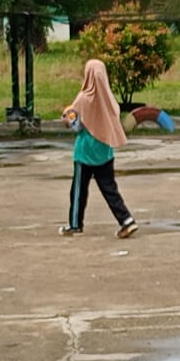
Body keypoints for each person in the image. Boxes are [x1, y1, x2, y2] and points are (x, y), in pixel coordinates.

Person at [60, 59, 139, 238]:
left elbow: (76, 125)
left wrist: (66, 118)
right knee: (110, 189)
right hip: (105, 152)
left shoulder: (83, 99)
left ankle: (75, 225)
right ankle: (126, 220)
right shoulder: (110, 100)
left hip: (85, 153)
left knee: (79, 190)